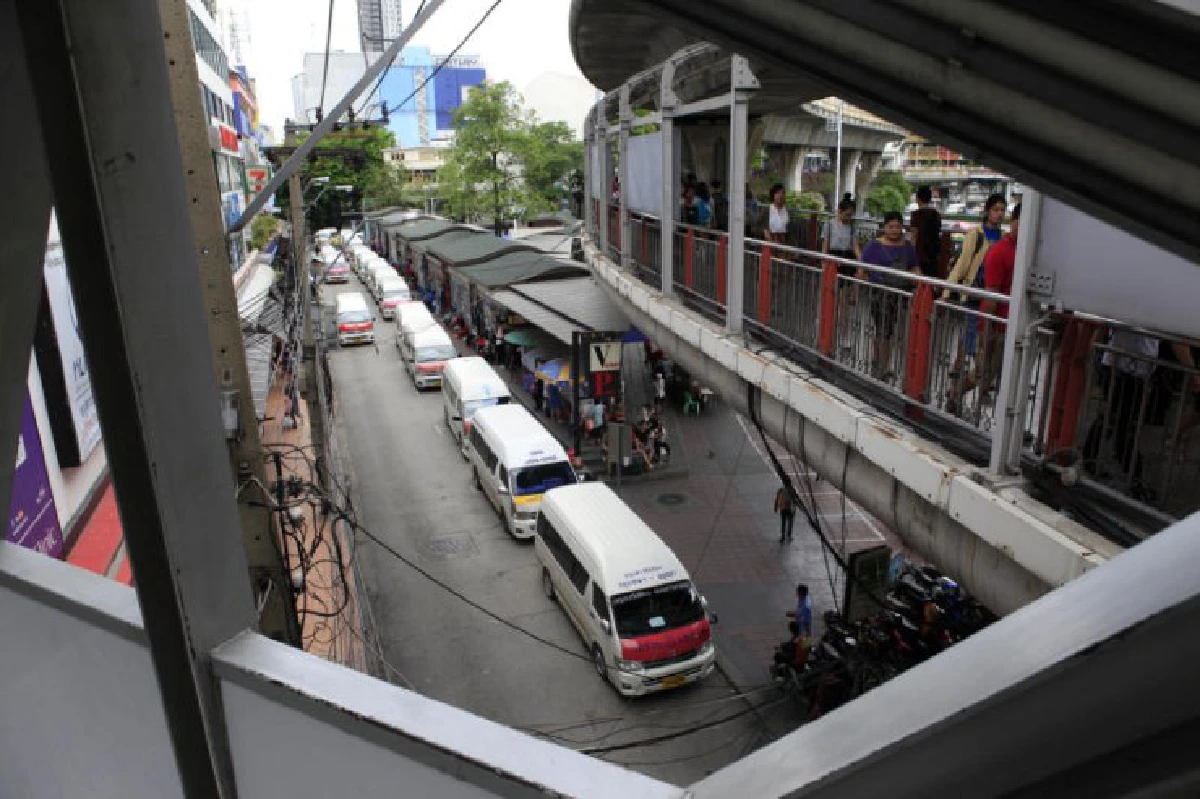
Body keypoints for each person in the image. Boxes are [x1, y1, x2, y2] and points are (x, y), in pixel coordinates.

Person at [943, 194, 1006, 413]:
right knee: (976, 341)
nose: (999, 214)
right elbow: (962, 263)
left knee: (979, 342)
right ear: (988, 210)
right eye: (996, 209)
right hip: (975, 296)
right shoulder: (976, 235)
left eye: (1002, 210)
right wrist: (947, 290)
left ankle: (964, 378)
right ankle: (966, 382)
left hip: (993, 299)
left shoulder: (1002, 237)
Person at [859, 211, 918, 381]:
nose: (894, 230)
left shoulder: (908, 247)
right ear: (884, 227)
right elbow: (861, 270)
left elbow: (914, 268)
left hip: (902, 294)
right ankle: (883, 366)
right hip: (880, 293)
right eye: (891, 226)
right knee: (885, 329)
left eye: (897, 226)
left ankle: (878, 361)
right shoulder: (873, 246)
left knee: (888, 330)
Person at [823, 194, 862, 276]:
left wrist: (860, 264)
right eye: (847, 214)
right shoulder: (829, 224)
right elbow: (825, 245)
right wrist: (824, 262)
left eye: (851, 215)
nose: (849, 218)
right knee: (833, 284)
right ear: (839, 211)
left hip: (848, 258)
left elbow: (855, 247)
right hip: (833, 257)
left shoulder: (852, 227)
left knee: (848, 284)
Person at [908, 185, 942, 278]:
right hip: (933, 254)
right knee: (931, 281)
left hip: (920, 254)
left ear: (917, 199)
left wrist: (910, 254)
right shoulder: (936, 214)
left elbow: (913, 237)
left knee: (919, 281)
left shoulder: (915, 215)